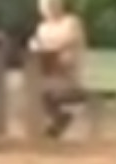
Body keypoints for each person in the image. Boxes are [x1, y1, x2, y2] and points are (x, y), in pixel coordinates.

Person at [27, 0, 87, 138]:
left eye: (51, 4)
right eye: (43, 6)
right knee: (30, 91)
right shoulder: (42, 27)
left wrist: (45, 46)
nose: (47, 9)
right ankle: (55, 124)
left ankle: (56, 124)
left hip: (68, 74)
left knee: (40, 91)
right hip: (47, 73)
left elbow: (68, 40)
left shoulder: (71, 22)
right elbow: (35, 44)